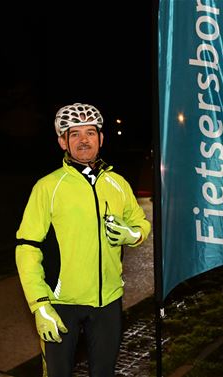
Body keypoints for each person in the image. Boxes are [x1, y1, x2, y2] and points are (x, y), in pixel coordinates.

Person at [15, 102, 151, 376]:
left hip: (108, 300)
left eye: (90, 132)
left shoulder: (118, 183)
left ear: (101, 138)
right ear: (62, 142)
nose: (84, 140)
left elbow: (141, 223)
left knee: (104, 372)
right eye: (74, 134)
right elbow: (27, 247)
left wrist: (133, 234)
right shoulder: (48, 186)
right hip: (61, 302)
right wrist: (40, 305)